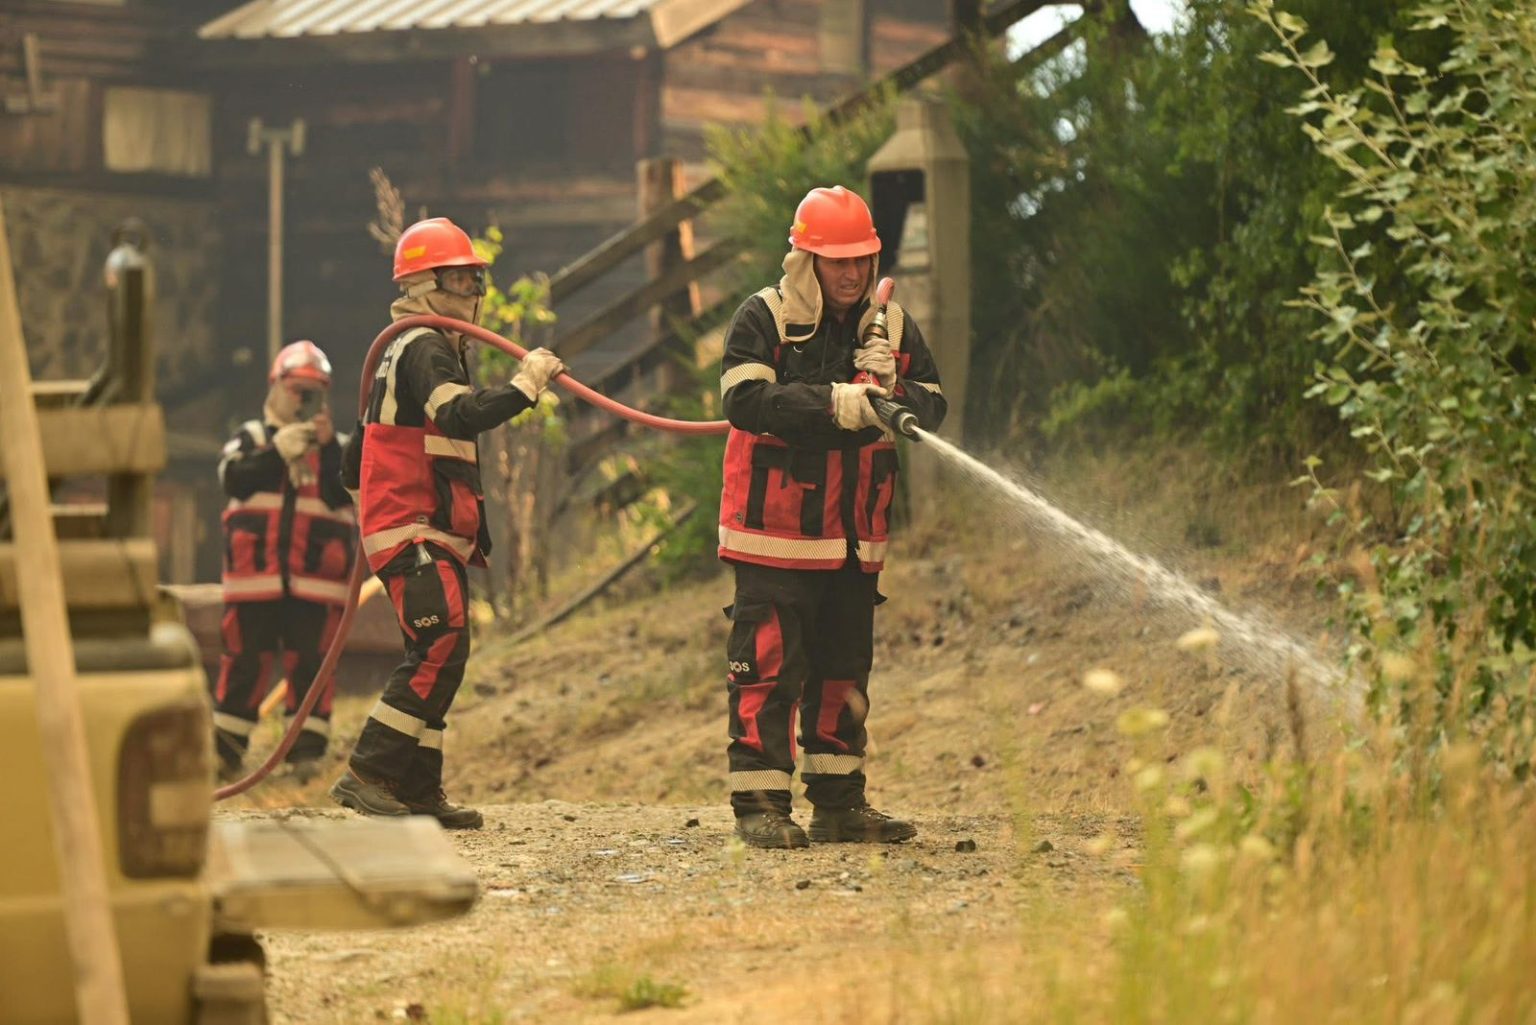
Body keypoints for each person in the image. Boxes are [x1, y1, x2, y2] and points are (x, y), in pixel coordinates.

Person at [717, 185, 947, 849]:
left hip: (853, 539)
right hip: (775, 535)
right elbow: (743, 400)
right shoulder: (763, 317)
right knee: (768, 670)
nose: (851, 274)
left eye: (861, 260)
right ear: (806, 261)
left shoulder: (892, 325)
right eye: (836, 261)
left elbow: (933, 406)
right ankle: (760, 806)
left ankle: (840, 805)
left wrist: (895, 387)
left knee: (844, 673)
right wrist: (832, 403)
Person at [331, 216, 564, 830]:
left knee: (440, 649)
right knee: (442, 643)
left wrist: (371, 504)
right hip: (413, 529)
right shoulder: (423, 345)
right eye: (458, 279)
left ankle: (417, 789)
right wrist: (525, 386)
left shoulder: (412, 348)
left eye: (475, 279)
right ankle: (368, 774)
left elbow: (352, 459)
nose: (473, 292)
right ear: (423, 285)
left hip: (425, 529)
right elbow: (458, 415)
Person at [214, 339, 353, 783]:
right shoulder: (252, 437)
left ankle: (305, 756)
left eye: (314, 392)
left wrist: (326, 449)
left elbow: (345, 493)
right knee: (244, 662)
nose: (303, 400)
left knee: (312, 665)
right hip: (254, 578)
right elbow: (232, 479)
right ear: (274, 387)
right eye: (296, 389)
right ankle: (225, 754)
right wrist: (277, 454)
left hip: (317, 580)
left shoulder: (338, 449)